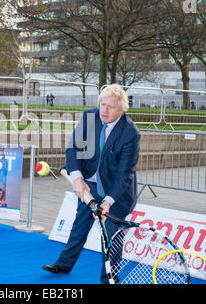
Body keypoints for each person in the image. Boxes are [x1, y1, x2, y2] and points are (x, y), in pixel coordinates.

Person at [42, 84, 141, 284]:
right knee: (80, 225)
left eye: (110, 107)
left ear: (121, 110)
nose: (104, 110)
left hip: (117, 193)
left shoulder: (131, 133)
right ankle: (63, 264)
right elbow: (73, 149)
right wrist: (77, 178)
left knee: (112, 236)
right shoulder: (89, 117)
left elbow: (124, 174)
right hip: (89, 184)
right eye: (102, 104)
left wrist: (108, 202)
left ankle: (109, 279)